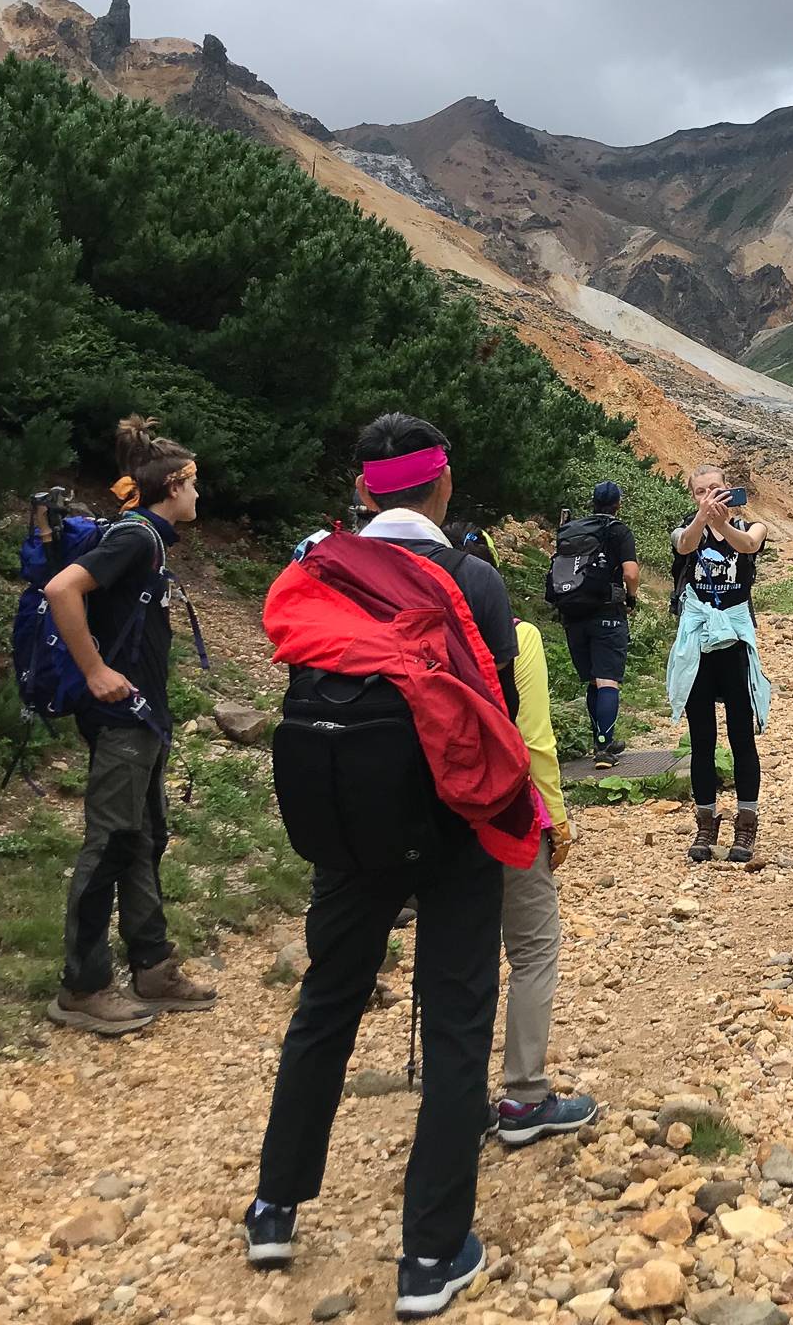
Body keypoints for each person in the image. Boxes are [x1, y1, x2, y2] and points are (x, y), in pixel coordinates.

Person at [247, 415, 517, 1319]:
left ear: (366, 490)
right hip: (452, 826)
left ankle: (274, 1207)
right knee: (455, 1020)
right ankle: (431, 1255)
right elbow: (498, 709)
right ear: (441, 485)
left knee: (327, 1002)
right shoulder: (470, 578)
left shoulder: (321, 569)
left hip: (350, 822)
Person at [44, 415, 218, 1035]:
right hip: (121, 714)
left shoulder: (148, 539)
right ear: (172, 485)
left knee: (144, 834)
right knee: (113, 840)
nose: (199, 496)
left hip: (142, 717)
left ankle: (152, 965)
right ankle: (83, 987)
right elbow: (62, 588)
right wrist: (95, 671)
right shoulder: (138, 537)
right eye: (194, 484)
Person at [449, 522, 603, 1145]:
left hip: (443, 817)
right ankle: (524, 1097)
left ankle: (456, 1100)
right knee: (534, 950)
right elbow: (535, 736)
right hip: (509, 812)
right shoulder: (520, 637)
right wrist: (557, 816)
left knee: (459, 958)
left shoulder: (419, 635)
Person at [668, 466, 770, 862]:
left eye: (715, 489)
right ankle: (705, 822)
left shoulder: (751, 525)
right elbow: (684, 546)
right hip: (699, 646)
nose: (709, 496)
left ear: (728, 490)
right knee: (702, 739)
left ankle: (746, 822)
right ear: (692, 496)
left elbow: (747, 546)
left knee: (742, 736)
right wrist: (701, 518)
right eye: (700, 491)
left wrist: (723, 524)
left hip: (735, 643)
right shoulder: (684, 528)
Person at [552, 482, 640, 767]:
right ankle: (604, 748)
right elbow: (631, 573)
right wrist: (631, 598)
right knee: (608, 679)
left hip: (573, 614)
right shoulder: (618, 531)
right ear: (619, 504)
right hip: (607, 613)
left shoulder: (574, 530)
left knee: (593, 680)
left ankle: (601, 739)